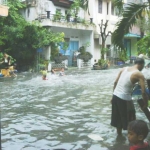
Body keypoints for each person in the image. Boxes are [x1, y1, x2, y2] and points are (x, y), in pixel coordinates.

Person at [111, 57, 147, 136]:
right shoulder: (139, 74)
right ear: (141, 65)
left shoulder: (123, 69)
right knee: (132, 120)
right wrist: (146, 103)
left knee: (118, 120)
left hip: (115, 96)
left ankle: (119, 138)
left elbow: (115, 82)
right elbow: (143, 92)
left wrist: (112, 96)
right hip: (125, 99)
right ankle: (133, 140)